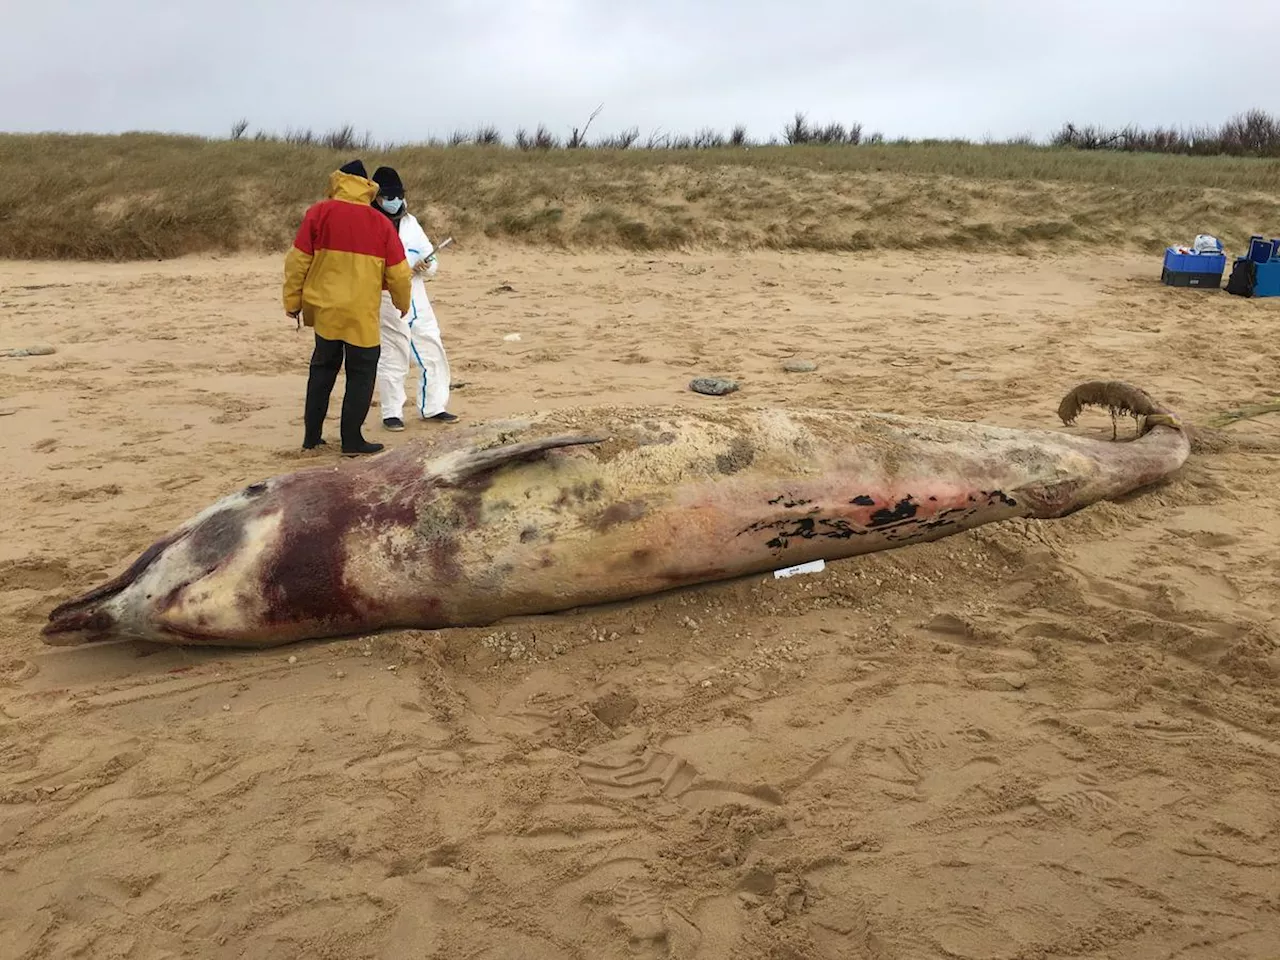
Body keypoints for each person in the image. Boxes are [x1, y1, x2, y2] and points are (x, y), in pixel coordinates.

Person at [282, 159, 413, 455]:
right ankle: (352, 439)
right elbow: (400, 272)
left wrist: (292, 301)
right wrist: (402, 302)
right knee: (362, 372)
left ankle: (311, 438)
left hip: (325, 309)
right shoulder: (380, 222)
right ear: (366, 186)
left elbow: (297, 261)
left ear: (338, 181)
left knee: (322, 370)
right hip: (360, 313)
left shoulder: (318, 213)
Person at [368, 165, 458, 431]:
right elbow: (369, 265)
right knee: (393, 353)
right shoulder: (369, 223)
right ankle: (392, 412)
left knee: (432, 348)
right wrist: (403, 268)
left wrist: (425, 265)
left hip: (417, 295)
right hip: (386, 297)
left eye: (397, 195)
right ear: (377, 197)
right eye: (388, 196)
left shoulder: (411, 223)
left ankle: (433, 406)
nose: (394, 201)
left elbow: (431, 259)